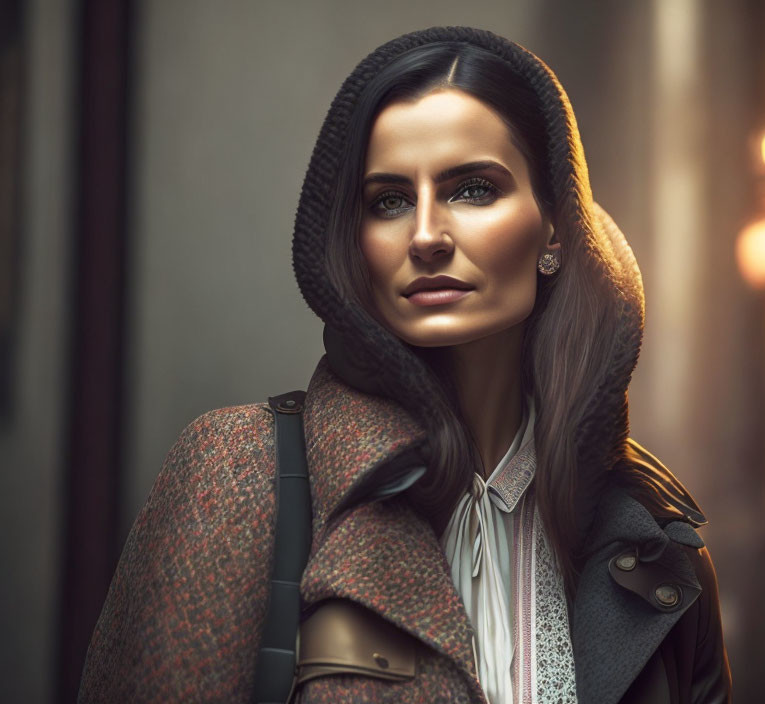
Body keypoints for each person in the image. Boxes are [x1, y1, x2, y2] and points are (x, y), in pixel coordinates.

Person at [79, 26, 732, 704]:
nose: (424, 236)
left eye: (473, 189)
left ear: (555, 225)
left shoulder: (653, 544)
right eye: (388, 200)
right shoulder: (237, 472)